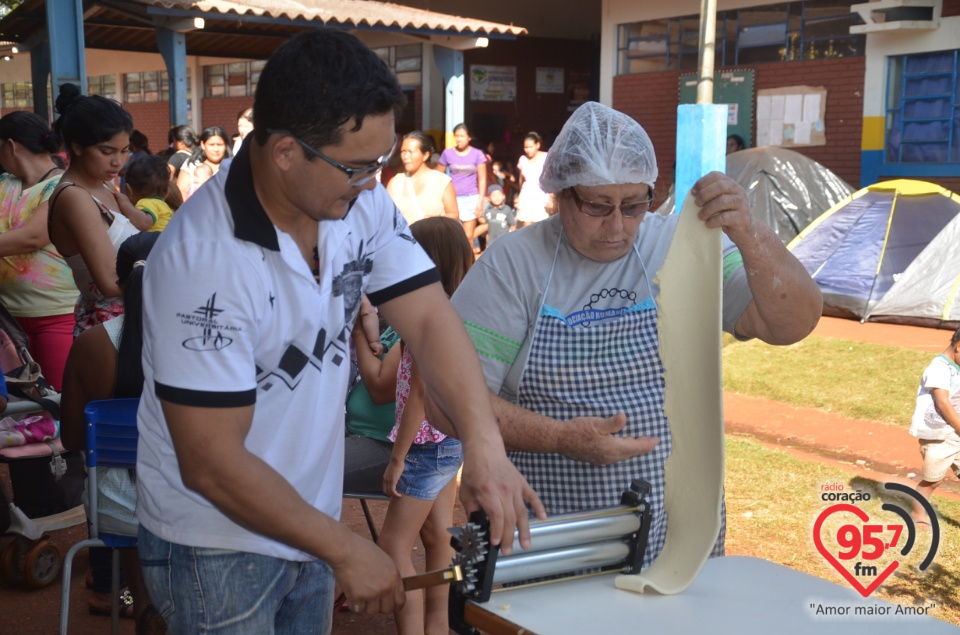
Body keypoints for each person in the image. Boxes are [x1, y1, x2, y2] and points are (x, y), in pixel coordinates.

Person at [135, 29, 543, 634]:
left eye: (381, 163)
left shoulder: (355, 201)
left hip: (310, 517)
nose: (373, 184)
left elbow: (430, 319)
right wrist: (346, 546)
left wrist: (483, 442)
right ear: (284, 153)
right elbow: (211, 461)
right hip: (216, 542)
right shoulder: (204, 261)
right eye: (356, 167)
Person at [451, 101, 822, 571]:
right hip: (551, 535)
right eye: (597, 206)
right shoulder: (512, 266)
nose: (618, 226)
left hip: (677, 535)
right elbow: (450, 401)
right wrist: (559, 438)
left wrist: (750, 234)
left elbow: (792, 324)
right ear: (560, 195)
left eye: (634, 205)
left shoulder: (678, 246)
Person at [60, 232, 166, 634]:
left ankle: (143, 603)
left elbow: (71, 439)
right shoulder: (200, 344)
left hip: (114, 512)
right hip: (189, 506)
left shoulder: (90, 345)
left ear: (118, 284)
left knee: (132, 497)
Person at [379, 217, 472, 635]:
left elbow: (419, 392)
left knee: (393, 544)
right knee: (437, 538)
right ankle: (435, 627)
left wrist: (397, 457)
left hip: (424, 444)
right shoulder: (458, 310)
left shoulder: (426, 314)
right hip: (449, 442)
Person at [48, 84, 150, 336]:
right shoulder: (74, 196)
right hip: (112, 331)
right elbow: (109, 282)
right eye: (107, 151)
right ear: (78, 147)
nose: (118, 161)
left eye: (125, 151)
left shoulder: (102, 184)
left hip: (129, 321)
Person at [0, 111, 75, 391]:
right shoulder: (5, 183)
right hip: (7, 317)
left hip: (55, 315)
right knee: (20, 409)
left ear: (11, 145)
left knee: (57, 400)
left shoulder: (62, 185)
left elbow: (33, 237)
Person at [908, 327, 960, 528]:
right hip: (939, 437)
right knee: (933, 480)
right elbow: (943, 403)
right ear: (958, 347)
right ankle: (917, 514)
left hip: (956, 434)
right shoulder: (938, 368)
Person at [386, 131, 458, 225]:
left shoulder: (442, 181)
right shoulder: (395, 182)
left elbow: (453, 215)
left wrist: (430, 223)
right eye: (403, 151)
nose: (406, 156)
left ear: (425, 155)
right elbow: (385, 216)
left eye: (411, 152)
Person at [438, 123, 486, 241]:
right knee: (452, 234)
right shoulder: (447, 153)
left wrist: (480, 202)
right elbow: (438, 176)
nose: (459, 139)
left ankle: (468, 260)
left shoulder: (477, 154)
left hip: (471, 197)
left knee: (468, 236)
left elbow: (482, 178)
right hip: (452, 199)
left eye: (462, 136)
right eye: (457, 136)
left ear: (469, 137)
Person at [175, 125, 230, 201]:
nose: (216, 149)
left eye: (219, 145)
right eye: (211, 145)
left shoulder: (231, 167)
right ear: (203, 145)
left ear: (226, 146)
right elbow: (181, 192)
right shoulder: (192, 165)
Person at [125, 155, 176, 233]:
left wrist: (123, 203)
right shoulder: (163, 206)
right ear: (166, 193)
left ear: (129, 190)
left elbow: (144, 223)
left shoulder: (146, 202)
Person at [515, 131, 550, 227]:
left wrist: (552, 198)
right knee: (526, 226)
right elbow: (521, 180)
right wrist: (519, 196)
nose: (528, 150)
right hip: (526, 194)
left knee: (541, 225)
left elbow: (550, 178)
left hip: (542, 194)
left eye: (531, 147)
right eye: (526, 147)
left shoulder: (546, 157)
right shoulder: (522, 159)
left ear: (537, 145)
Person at [474, 184, 516, 248]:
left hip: (503, 240)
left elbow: (512, 224)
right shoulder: (488, 209)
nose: (497, 198)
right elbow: (484, 221)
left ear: (503, 196)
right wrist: (478, 217)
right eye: (494, 195)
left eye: (499, 195)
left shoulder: (507, 209)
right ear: (489, 198)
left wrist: (512, 238)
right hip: (490, 241)